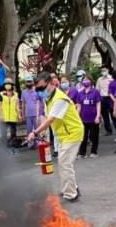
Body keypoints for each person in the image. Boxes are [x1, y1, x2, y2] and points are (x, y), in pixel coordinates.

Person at [27, 72, 84, 202]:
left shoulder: (59, 99)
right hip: (64, 135)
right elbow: (48, 118)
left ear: (52, 83)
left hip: (72, 133)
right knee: (65, 163)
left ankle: (71, 194)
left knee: (64, 163)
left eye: (42, 88)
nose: (40, 91)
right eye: (38, 89)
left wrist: (35, 132)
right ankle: (72, 189)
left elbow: (50, 120)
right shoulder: (48, 98)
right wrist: (42, 133)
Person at [76, 76, 101, 158]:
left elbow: (98, 104)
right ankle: (82, 153)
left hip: (93, 117)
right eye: (84, 80)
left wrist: (98, 116)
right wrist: (77, 117)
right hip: (83, 118)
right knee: (83, 136)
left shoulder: (95, 92)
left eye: (87, 80)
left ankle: (94, 152)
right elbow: (79, 106)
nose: (85, 81)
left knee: (94, 136)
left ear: (91, 81)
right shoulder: (80, 93)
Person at [20, 75, 44, 149]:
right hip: (28, 114)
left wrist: (41, 113)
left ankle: (38, 143)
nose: (29, 83)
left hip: (37, 114)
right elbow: (23, 104)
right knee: (29, 130)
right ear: (25, 83)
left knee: (37, 129)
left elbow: (42, 102)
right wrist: (23, 114)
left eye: (30, 81)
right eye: (27, 82)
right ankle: (30, 143)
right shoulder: (23, 92)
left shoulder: (37, 91)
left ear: (33, 82)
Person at [0, 78, 21, 146]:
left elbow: (17, 105)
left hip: (13, 116)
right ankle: (4, 145)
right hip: (4, 117)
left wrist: (19, 115)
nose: (8, 86)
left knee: (13, 132)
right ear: (4, 85)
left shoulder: (16, 94)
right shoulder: (1, 94)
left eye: (9, 84)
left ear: (12, 85)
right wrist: (0, 116)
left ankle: (13, 144)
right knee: (3, 132)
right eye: (6, 84)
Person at [96, 65, 114, 135]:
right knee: (105, 116)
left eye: (104, 70)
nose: (103, 72)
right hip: (102, 98)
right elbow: (97, 90)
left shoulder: (111, 79)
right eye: (102, 70)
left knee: (113, 114)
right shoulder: (99, 79)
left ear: (108, 70)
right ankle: (108, 130)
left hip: (110, 98)